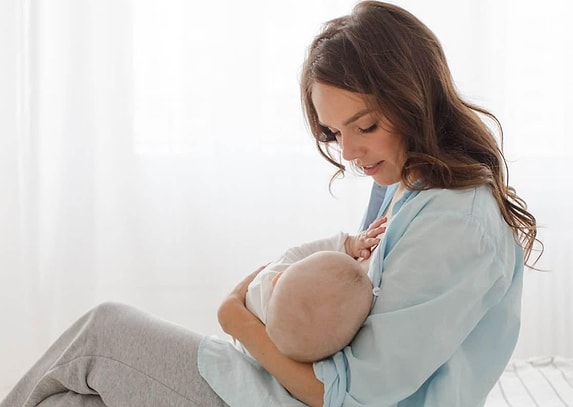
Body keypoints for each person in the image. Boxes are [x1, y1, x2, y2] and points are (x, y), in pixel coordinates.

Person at [1, 1, 541, 406]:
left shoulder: (455, 222)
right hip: (280, 386)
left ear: (414, 99)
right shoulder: (405, 181)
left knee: (104, 332)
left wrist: (238, 321)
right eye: (333, 133)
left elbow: (348, 395)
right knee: (71, 401)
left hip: (292, 398)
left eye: (366, 126)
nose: (349, 152)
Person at [245, 218, 385, 362]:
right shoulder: (263, 287)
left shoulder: (290, 337)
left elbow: (306, 252)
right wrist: (349, 244)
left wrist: (349, 245)